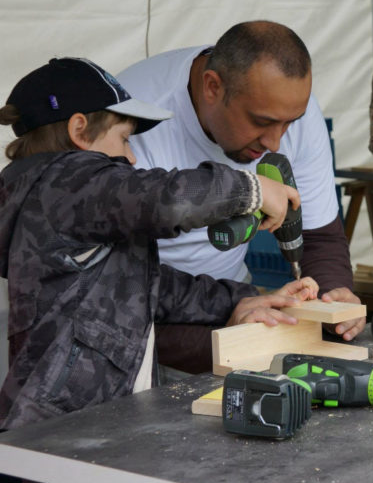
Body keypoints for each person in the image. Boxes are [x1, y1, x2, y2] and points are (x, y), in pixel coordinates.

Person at [0, 57, 320, 429]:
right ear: (79, 130)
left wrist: (240, 300)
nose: (132, 156)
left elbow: (151, 285)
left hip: (90, 418)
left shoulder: (66, 207)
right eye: (123, 139)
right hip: (62, 425)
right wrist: (251, 188)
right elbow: (166, 199)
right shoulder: (64, 183)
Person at [116, 22, 365, 372]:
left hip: (236, 308)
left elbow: (320, 235)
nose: (275, 143)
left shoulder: (285, 107)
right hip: (141, 333)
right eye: (261, 122)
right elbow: (112, 297)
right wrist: (228, 335)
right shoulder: (132, 120)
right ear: (212, 87)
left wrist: (333, 298)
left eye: (289, 124)